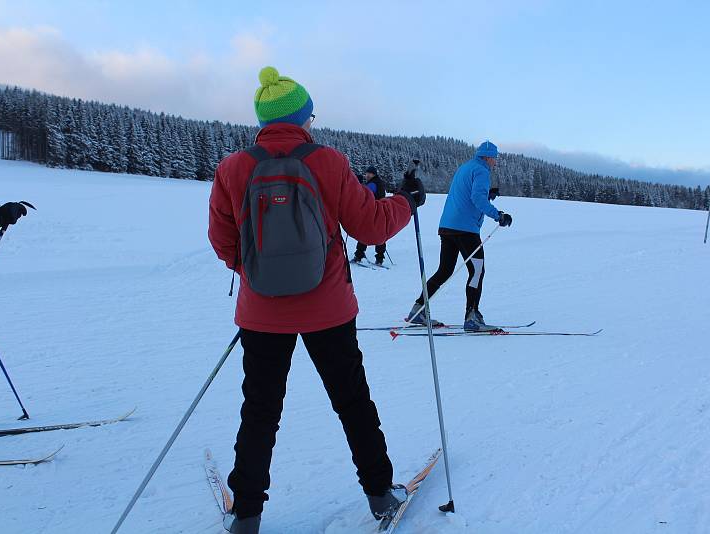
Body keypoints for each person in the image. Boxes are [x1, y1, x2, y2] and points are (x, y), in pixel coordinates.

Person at [208, 66, 425, 534]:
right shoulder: (326, 161)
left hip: (261, 312)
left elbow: (223, 242)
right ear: (302, 116)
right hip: (328, 308)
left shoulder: (232, 167)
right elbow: (370, 226)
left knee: (260, 411)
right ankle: (381, 494)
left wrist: (256, 274)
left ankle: (246, 515)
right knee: (352, 401)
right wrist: (407, 201)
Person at [404, 141, 512, 332]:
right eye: (494, 158)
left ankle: (417, 310)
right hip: (466, 230)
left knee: (444, 270)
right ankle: (472, 317)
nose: (495, 162)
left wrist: (487, 195)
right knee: (477, 271)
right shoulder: (482, 171)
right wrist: (498, 215)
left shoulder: (466, 167)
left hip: (447, 226)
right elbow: (476, 198)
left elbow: (468, 194)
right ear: (487, 157)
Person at [351, 165, 389, 265]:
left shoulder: (373, 184)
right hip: (380, 212)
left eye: (369, 173)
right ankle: (379, 258)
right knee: (379, 234)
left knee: (365, 232)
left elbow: (363, 193)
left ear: (374, 174)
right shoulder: (378, 183)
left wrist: (358, 183)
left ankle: (359, 255)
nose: (367, 175)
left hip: (372, 212)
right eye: (366, 173)